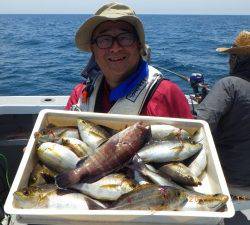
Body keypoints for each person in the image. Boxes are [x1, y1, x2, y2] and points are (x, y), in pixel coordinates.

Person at [65, 2, 193, 119]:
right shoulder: (80, 94)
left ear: (138, 45)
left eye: (125, 37)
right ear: (93, 49)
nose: (115, 48)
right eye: (104, 39)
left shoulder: (167, 94)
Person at [196, 30, 250, 198]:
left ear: (235, 59)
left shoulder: (229, 85)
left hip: (229, 183)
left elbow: (199, 125)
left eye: (231, 56)